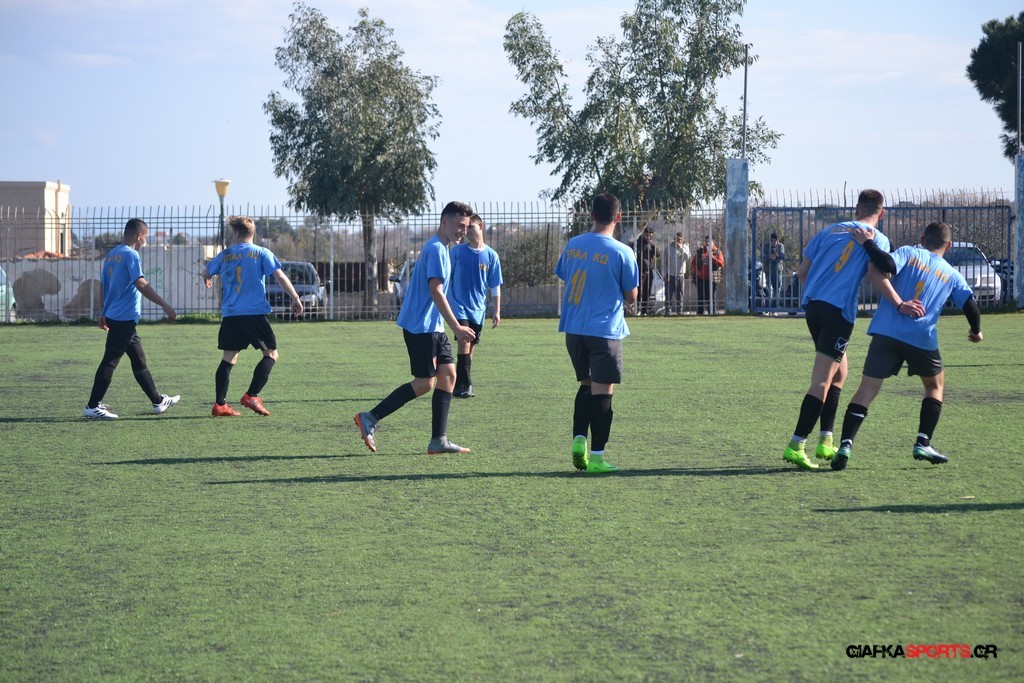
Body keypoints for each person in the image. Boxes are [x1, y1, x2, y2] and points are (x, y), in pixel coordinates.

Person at [781, 189, 925, 470]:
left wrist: (817, 293)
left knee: (840, 373)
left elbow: (801, 272)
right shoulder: (876, 238)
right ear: (882, 213)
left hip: (814, 307)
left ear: (857, 209)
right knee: (822, 380)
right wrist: (899, 304)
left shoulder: (828, 231)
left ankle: (826, 440)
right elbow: (876, 274)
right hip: (838, 313)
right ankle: (796, 445)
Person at [830, 221, 983, 470]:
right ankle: (923, 442)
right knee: (934, 386)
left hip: (886, 333)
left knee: (866, 390)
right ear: (949, 246)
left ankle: (845, 445)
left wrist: (867, 243)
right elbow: (970, 305)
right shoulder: (952, 274)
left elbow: (887, 264)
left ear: (922, 239)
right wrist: (976, 331)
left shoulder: (908, 252)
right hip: (921, 338)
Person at [354, 201, 478, 454]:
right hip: (422, 328)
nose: (463, 231)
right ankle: (370, 417)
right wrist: (456, 326)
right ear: (444, 222)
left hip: (434, 327)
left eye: (466, 227)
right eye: (459, 225)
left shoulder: (442, 248)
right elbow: (436, 291)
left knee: (449, 377)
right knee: (424, 383)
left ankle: (439, 440)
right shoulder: (437, 249)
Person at [554, 193, 639, 473]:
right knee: (604, 393)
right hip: (604, 330)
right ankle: (598, 459)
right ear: (619, 217)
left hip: (573, 329)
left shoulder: (573, 244)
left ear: (591, 215)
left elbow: (565, 274)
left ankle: (579, 439)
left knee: (586, 385)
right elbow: (631, 296)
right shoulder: (622, 252)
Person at [201, 215, 303, 417]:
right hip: (253, 314)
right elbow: (280, 276)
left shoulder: (226, 254)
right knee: (271, 354)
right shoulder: (261, 253)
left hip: (231, 314)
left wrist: (207, 279)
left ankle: (220, 404)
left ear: (236, 233)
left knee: (229, 357)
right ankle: (251, 395)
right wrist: (295, 298)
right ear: (252, 233)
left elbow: (206, 271)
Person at [83, 218, 180, 419]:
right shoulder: (131, 255)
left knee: (139, 360)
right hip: (124, 317)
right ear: (138, 236)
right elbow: (141, 283)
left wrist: (103, 312)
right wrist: (164, 305)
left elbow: (104, 286)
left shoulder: (112, 254)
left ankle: (158, 401)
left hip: (116, 316)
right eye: (146, 237)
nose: (146, 241)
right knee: (110, 361)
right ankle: (92, 406)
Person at [448, 213, 503, 398]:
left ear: (481, 227)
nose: (467, 231)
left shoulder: (491, 256)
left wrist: (497, 310)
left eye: (470, 227)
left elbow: (495, 286)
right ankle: (467, 385)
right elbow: (447, 278)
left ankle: (458, 384)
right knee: (464, 341)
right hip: (458, 306)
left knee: (470, 347)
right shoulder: (457, 252)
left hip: (478, 309)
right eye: (465, 228)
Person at [691, 238, 724, 315]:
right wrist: (698, 272)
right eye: (706, 242)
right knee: (701, 296)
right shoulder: (700, 251)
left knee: (711, 296)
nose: (708, 243)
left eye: (709, 242)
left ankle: (712, 312)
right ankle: (700, 312)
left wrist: (711, 256)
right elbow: (693, 263)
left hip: (713, 278)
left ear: (713, 242)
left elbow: (721, 263)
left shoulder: (717, 251)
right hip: (701, 278)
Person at [633, 227, 660, 315]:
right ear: (644, 234)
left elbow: (658, 254)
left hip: (648, 270)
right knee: (638, 290)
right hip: (638, 270)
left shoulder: (651, 244)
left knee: (647, 291)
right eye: (647, 235)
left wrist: (652, 244)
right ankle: (637, 308)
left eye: (650, 236)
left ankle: (644, 310)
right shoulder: (637, 243)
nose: (648, 237)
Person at [664, 232, 691, 315]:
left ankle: (680, 310)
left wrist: (681, 248)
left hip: (680, 275)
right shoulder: (668, 248)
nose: (677, 241)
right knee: (668, 294)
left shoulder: (685, 248)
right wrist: (664, 274)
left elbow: (687, 257)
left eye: (679, 240)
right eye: (676, 239)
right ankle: (668, 310)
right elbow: (664, 262)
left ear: (682, 240)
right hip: (670, 274)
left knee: (680, 294)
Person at [763, 232, 786, 306]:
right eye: (772, 240)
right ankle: (768, 305)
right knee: (768, 288)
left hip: (777, 270)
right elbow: (762, 256)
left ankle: (775, 305)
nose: (773, 242)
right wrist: (769, 257)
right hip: (768, 270)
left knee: (777, 288)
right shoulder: (766, 245)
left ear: (777, 240)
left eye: (774, 241)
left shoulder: (780, 246)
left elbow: (783, 256)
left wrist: (777, 255)